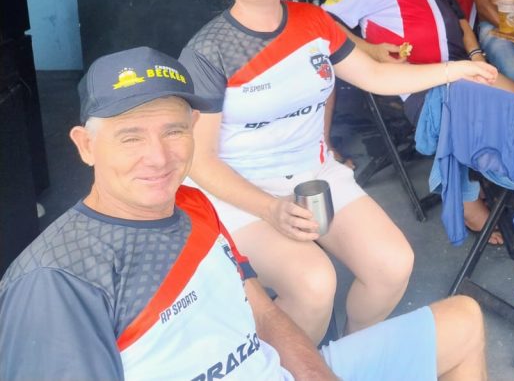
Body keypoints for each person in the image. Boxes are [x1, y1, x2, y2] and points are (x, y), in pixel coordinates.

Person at [0, 46, 488, 381]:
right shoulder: (56, 278)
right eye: (131, 137)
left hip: (272, 370)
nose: (159, 157)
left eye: (174, 131)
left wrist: (315, 373)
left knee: (464, 320)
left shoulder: (193, 206)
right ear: (86, 146)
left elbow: (264, 311)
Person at [179, 0, 496, 343]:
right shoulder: (208, 51)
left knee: (392, 265)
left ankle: (348, 355)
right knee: (313, 283)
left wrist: (455, 70)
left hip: (312, 174)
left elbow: (376, 75)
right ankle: (286, 368)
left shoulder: (313, 21)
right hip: (239, 192)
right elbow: (199, 161)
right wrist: (269, 208)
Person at [322, 0, 514, 243]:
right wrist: (370, 49)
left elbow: (461, 22)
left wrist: (476, 56)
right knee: (464, 118)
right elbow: (325, 21)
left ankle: (504, 180)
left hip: (461, 68)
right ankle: (467, 201)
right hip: (413, 81)